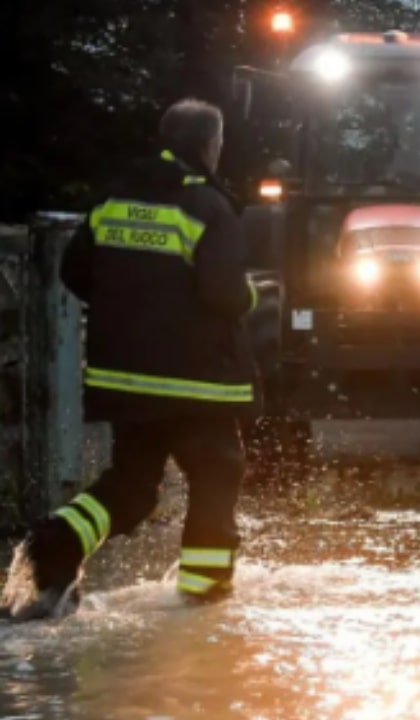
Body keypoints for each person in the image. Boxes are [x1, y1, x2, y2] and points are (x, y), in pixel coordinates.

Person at [1, 99, 261, 622]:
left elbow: (76, 271)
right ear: (210, 145)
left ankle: (56, 540)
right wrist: (253, 294)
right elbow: (225, 295)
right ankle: (203, 599)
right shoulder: (209, 207)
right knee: (216, 471)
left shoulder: (115, 198)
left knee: (134, 486)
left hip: (126, 380)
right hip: (196, 383)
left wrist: (133, 305)